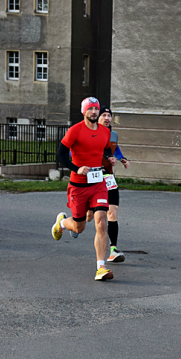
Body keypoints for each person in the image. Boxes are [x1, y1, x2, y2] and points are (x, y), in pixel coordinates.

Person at [51, 97, 116, 281]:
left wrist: (109, 158)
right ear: (84, 112)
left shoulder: (105, 132)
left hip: (98, 184)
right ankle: (62, 223)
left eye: (96, 109)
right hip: (79, 186)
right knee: (79, 228)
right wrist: (76, 168)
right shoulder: (75, 131)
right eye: (90, 109)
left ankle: (101, 267)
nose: (94, 112)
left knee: (101, 221)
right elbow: (60, 154)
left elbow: (104, 150)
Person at [85, 107, 128, 262]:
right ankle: (68, 223)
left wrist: (122, 159)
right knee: (89, 216)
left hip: (108, 177)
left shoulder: (113, 135)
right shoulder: (88, 133)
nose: (107, 118)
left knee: (112, 211)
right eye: (104, 115)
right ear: (97, 117)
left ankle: (113, 249)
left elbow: (116, 150)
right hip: (94, 177)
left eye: (109, 115)